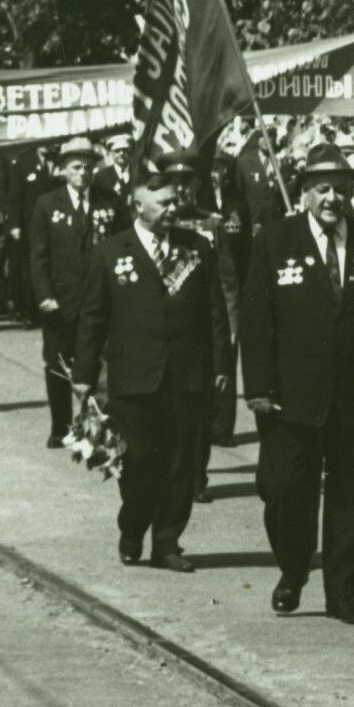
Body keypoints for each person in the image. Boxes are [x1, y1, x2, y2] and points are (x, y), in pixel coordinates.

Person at [238, 142, 354, 627]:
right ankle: (293, 568)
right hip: (291, 396)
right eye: (322, 188)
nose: (332, 198)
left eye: (341, 189)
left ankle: (342, 593)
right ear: (305, 193)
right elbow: (255, 318)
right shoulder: (274, 240)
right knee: (285, 491)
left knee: (351, 497)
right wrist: (260, 388)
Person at [71, 150, 221, 571]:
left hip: (186, 373)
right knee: (137, 461)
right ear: (139, 205)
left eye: (176, 201)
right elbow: (93, 318)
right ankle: (133, 526)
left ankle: (167, 542)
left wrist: (221, 366)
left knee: (180, 462)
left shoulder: (197, 248)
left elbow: (214, 312)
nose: (174, 208)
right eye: (165, 203)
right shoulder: (109, 252)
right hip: (133, 376)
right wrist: (84, 374)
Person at [26, 138, 105, 448]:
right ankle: (60, 427)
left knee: (96, 362)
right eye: (76, 167)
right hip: (61, 298)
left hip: (98, 298)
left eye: (88, 167)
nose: (83, 173)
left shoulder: (107, 200)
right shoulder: (48, 204)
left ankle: (93, 426)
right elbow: (38, 255)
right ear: (63, 170)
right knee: (58, 363)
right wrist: (44, 294)